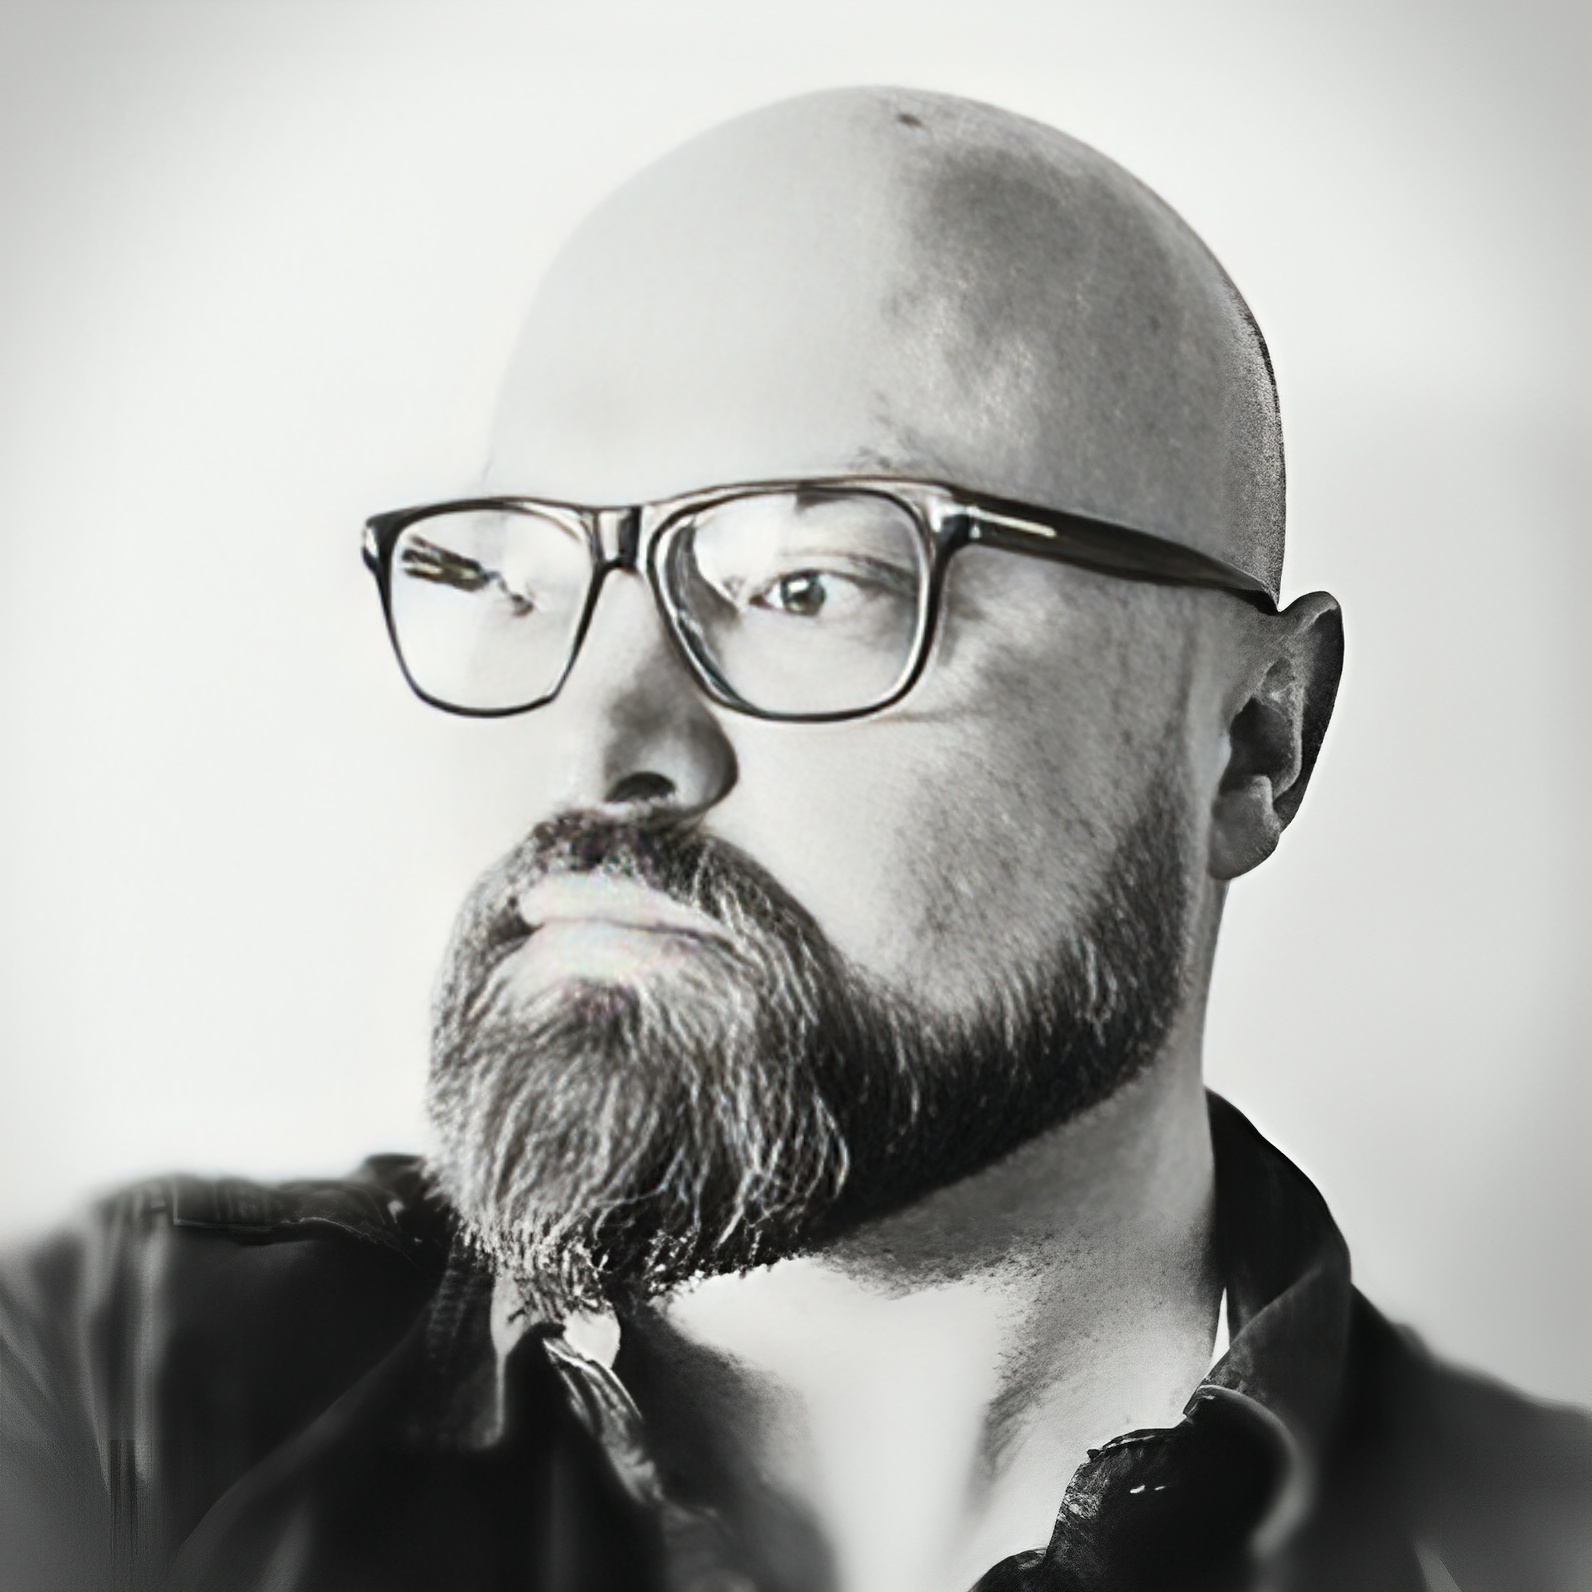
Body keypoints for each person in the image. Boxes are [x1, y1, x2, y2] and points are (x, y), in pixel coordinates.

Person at [1, 87, 1586, 1592]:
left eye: (807, 586)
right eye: (517, 583)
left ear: (1254, 739)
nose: (591, 746)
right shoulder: (107, 1400)